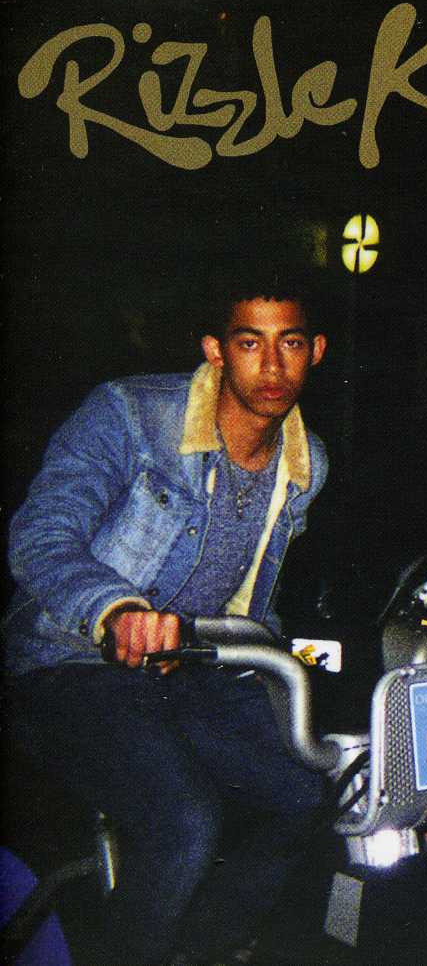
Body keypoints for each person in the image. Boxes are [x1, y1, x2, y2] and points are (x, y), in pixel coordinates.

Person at [2, 272, 330, 966]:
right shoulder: (129, 414)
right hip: (68, 663)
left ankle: (196, 952)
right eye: (250, 343)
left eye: (291, 343)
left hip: (185, 671)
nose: (273, 366)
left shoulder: (306, 464)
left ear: (316, 351)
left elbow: (249, 605)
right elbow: (40, 534)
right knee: (183, 822)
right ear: (216, 350)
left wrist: (291, 668)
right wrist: (116, 608)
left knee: (306, 793)